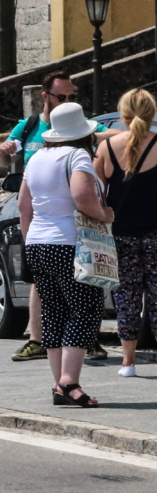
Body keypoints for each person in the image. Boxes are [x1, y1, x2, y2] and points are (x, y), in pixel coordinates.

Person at [0, 71, 111, 362]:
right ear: (45, 97)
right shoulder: (29, 128)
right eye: (62, 97)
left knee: (57, 307)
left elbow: (25, 203)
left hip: (41, 236)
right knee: (79, 304)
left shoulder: (57, 144)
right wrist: (103, 214)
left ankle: (61, 377)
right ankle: (64, 372)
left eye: (71, 97)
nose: (67, 101)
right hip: (63, 233)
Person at [18, 102, 114, 408]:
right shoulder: (78, 156)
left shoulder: (35, 159)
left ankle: (59, 383)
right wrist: (104, 214)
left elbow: (24, 205)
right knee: (85, 309)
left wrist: (30, 240)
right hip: (70, 243)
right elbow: (82, 196)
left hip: (38, 243)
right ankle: (70, 384)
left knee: (54, 312)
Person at [95, 88, 157, 378]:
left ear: (123, 114)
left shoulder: (107, 149)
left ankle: (128, 362)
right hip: (155, 233)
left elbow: (96, 191)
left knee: (127, 297)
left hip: (121, 234)